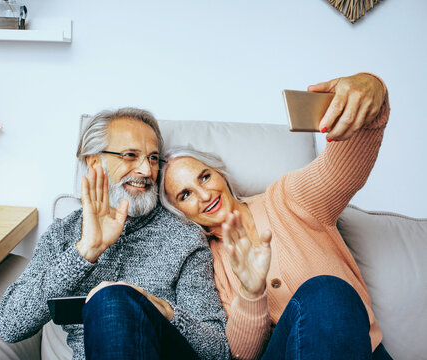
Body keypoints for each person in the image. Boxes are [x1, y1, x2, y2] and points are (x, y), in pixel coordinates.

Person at [159, 73, 394, 360]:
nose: (204, 195)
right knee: (324, 293)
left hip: (361, 351)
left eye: (205, 177)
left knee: (327, 293)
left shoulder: (288, 198)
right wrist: (251, 291)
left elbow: (343, 170)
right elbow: (242, 355)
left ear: (219, 173)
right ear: (178, 212)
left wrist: (372, 90)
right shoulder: (205, 263)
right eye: (185, 195)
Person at [0, 108, 230, 360]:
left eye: (153, 158)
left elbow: (218, 349)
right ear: (95, 162)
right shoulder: (63, 234)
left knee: (113, 299)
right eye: (130, 156)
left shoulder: (182, 235)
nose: (146, 170)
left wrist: (163, 310)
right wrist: (85, 252)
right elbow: (10, 324)